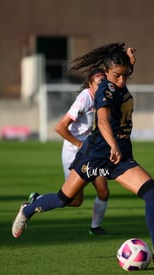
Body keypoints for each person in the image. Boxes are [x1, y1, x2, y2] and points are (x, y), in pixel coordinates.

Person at [12, 42, 154, 265]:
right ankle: (28, 210)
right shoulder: (104, 88)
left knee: (151, 192)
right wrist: (113, 144)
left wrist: (130, 61)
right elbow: (102, 120)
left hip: (120, 158)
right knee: (65, 199)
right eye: (117, 75)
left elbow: (122, 71)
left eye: (125, 75)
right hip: (95, 156)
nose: (122, 80)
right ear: (106, 73)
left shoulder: (119, 78)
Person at [53, 67, 110, 236]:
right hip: (73, 152)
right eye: (99, 83)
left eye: (104, 82)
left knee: (103, 191)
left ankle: (95, 227)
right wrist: (79, 145)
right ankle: (38, 200)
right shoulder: (85, 98)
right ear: (90, 84)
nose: (103, 86)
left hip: (92, 152)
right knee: (74, 200)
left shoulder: (104, 98)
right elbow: (60, 127)